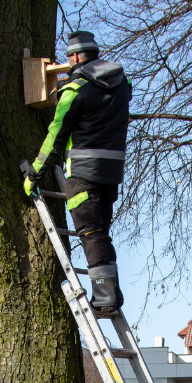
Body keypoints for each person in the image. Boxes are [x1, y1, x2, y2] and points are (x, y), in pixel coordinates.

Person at [23, 30, 132, 313]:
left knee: (90, 232)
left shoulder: (75, 91)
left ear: (74, 56)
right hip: (112, 171)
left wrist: (36, 172)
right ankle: (112, 293)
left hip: (83, 170)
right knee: (102, 232)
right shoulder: (122, 84)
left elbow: (56, 134)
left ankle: (106, 299)